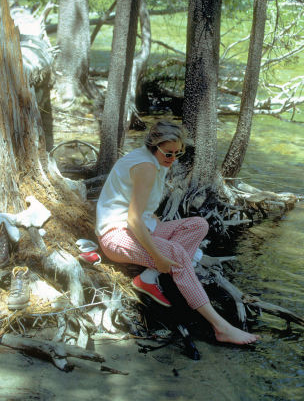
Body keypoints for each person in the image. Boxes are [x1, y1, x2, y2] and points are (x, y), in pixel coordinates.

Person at [96, 120, 258, 345]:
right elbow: (132, 219)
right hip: (116, 236)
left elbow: (134, 206)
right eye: (168, 153)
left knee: (198, 225)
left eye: (177, 153)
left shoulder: (151, 160)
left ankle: (148, 277)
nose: (172, 159)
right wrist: (159, 257)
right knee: (178, 255)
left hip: (138, 227)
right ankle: (221, 327)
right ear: (154, 145)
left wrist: (148, 215)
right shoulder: (147, 167)